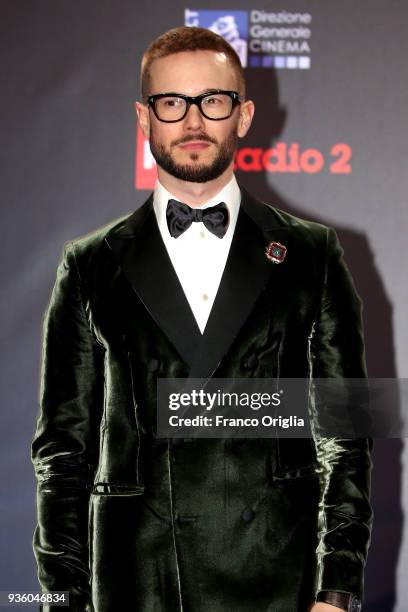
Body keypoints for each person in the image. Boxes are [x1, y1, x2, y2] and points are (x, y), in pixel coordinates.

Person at [32, 26, 372, 612]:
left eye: (213, 101)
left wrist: (335, 590)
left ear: (243, 115)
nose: (193, 122)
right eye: (172, 103)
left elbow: (343, 434)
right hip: (138, 583)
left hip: (278, 583)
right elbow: (64, 451)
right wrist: (61, 597)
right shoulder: (90, 265)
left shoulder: (312, 254)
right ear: (144, 119)